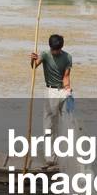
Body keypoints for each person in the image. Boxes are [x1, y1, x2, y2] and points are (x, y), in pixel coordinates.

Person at [29, 33, 72, 165]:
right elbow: (34, 66)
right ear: (50, 47)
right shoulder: (45, 55)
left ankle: (65, 156)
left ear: (61, 47)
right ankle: (50, 158)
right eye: (54, 49)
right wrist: (33, 59)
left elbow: (66, 76)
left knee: (65, 124)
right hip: (50, 92)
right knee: (49, 126)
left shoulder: (67, 57)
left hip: (63, 93)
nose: (55, 52)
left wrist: (68, 90)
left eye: (58, 49)